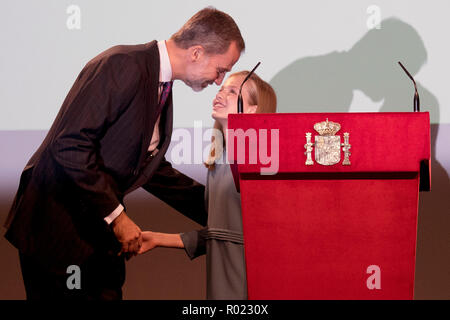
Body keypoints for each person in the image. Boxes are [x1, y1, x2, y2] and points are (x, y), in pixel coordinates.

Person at [3, 7, 245, 300]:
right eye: (221, 70)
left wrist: (228, 212)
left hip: (95, 233)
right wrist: (117, 217)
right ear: (196, 53)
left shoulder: (160, 83)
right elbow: (69, 146)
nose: (219, 81)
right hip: (57, 231)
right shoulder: (123, 65)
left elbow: (151, 169)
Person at [138, 71, 277, 299]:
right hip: (222, 276)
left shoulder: (259, 161)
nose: (221, 93)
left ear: (252, 109)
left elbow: (249, 235)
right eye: (222, 89)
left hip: (249, 281)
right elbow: (224, 232)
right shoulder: (219, 162)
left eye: (232, 91)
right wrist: (158, 238)